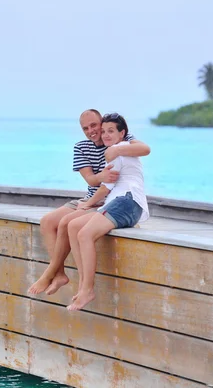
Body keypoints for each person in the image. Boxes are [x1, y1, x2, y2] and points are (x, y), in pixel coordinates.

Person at [27, 109, 150, 296]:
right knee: (47, 221)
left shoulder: (117, 139)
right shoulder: (81, 147)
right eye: (85, 128)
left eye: (94, 125)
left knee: (67, 223)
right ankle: (58, 273)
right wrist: (102, 176)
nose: (91, 131)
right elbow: (92, 180)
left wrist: (116, 149)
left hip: (106, 199)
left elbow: (144, 149)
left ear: (101, 123)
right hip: (91, 196)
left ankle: (50, 273)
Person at [66, 113, 149, 311]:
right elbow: (107, 185)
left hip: (128, 202)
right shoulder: (116, 151)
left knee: (85, 234)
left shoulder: (117, 151)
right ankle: (82, 284)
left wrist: (87, 204)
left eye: (110, 131)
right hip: (118, 202)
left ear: (123, 134)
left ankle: (88, 290)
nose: (105, 135)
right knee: (73, 226)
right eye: (103, 131)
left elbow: (105, 187)